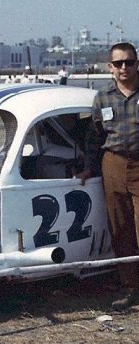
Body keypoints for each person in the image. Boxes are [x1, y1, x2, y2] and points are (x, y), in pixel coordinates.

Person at [77, 42, 139, 311]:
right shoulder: (102, 97)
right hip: (112, 165)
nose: (124, 68)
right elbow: (94, 137)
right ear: (110, 67)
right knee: (120, 229)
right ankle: (130, 289)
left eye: (129, 62)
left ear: (137, 64)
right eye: (119, 63)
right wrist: (89, 167)